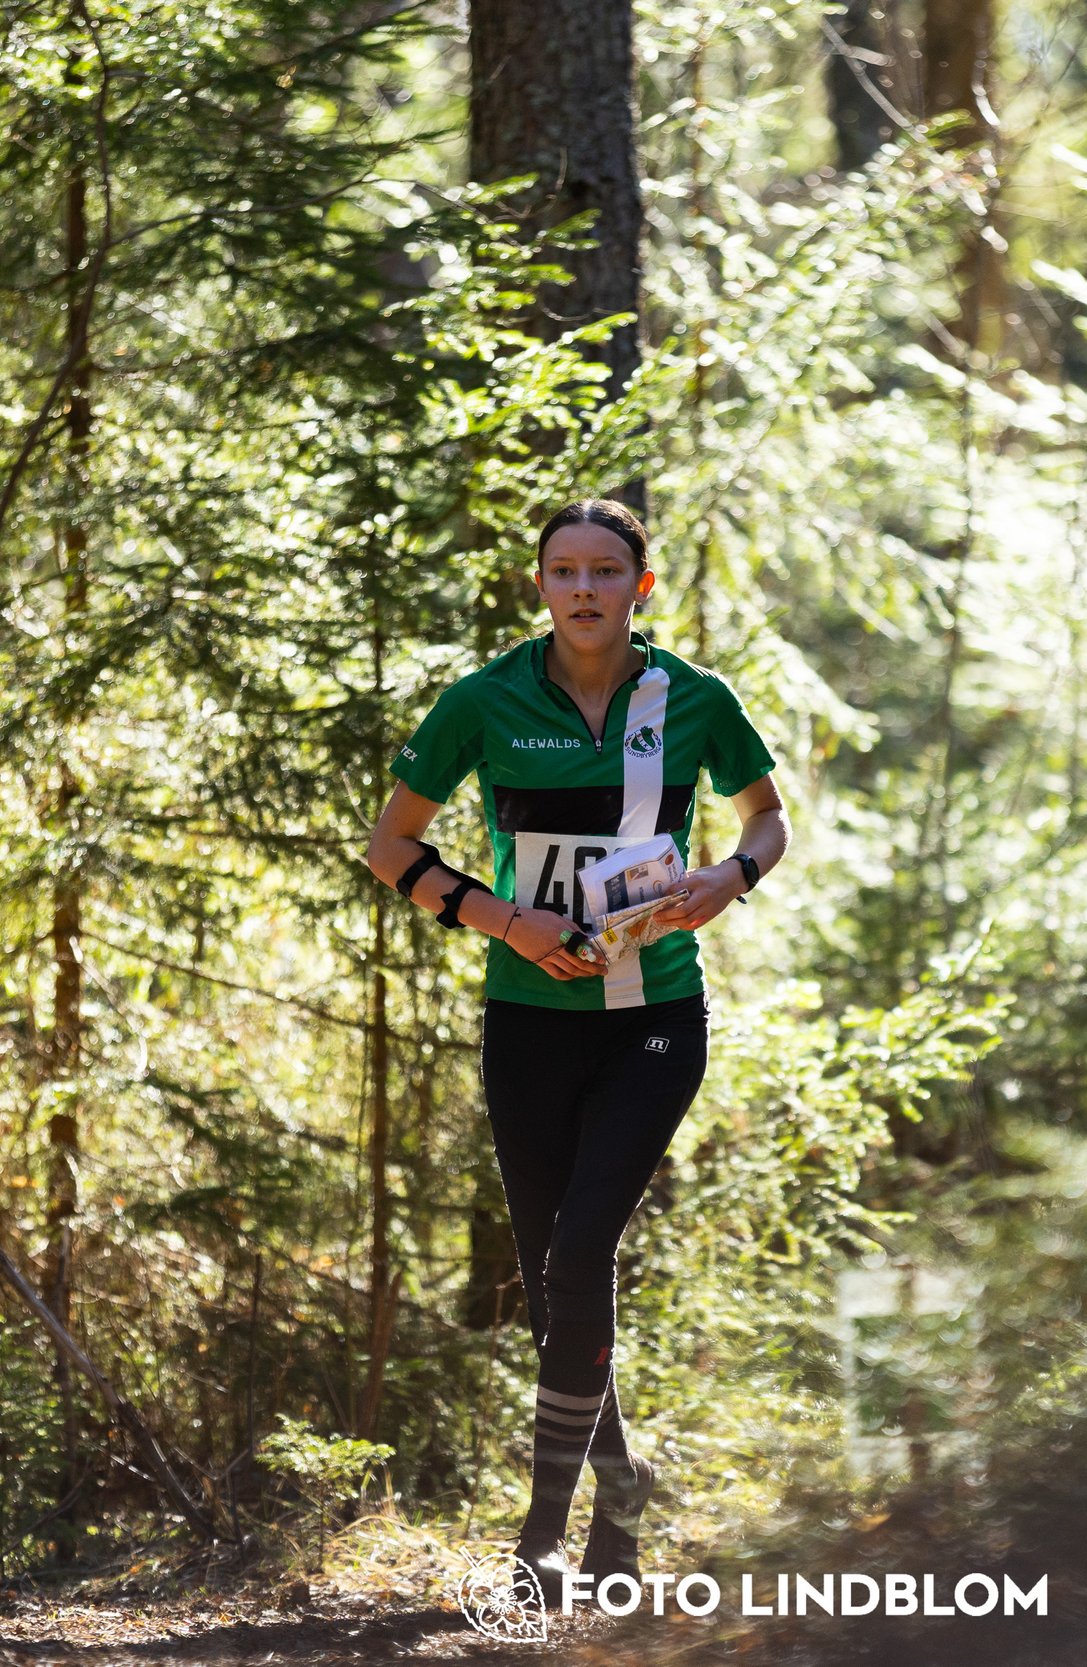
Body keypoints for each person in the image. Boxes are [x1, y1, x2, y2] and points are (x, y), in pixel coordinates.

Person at [363, 499, 788, 1598]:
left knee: (583, 1243)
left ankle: (541, 1535)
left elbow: (767, 817)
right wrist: (505, 920)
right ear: (540, 584)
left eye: (606, 570)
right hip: (530, 1021)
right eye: (564, 570)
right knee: (553, 1272)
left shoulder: (695, 698)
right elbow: (391, 844)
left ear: (640, 585)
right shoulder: (484, 700)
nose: (584, 589)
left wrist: (728, 877)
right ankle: (621, 1484)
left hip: (654, 1016)